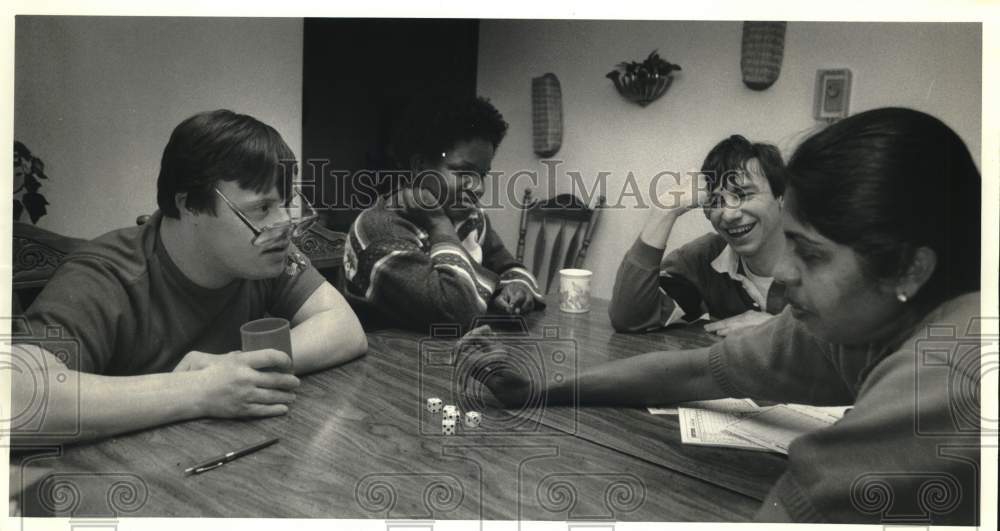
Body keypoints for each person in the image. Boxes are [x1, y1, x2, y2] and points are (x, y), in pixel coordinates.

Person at [469, 108, 982, 524]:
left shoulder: (954, 369)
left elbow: (808, 499)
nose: (785, 268)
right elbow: (695, 370)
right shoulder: (850, 323)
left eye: (812, 253)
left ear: (909, 269)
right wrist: (535, 391)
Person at [12, 110, 367, 445]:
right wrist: (200, 390)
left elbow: (344, 327)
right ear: (189, 204)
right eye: (261, 209)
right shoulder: (107, 275)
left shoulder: (262, 255)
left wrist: (235, 369)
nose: (282, 226)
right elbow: (16, 399)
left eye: (284, 204)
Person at [343, 94, 543, 331]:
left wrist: (517, 288)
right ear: (419, 166)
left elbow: (511, 268)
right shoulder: (379, 228)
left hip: (451, 354)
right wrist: (439, 224)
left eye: (483, 174)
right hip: (389, 362)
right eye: (462, 172)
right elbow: (457, 311)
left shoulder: (471, 220)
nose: (478, 188)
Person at [609, 135, 788, 336]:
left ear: (782, 197)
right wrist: (665, 210)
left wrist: (781, 331)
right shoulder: (705, 258)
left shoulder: (822, 257)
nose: (729, 214)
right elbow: (629, 318)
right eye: (716, 201)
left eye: (744, 195)